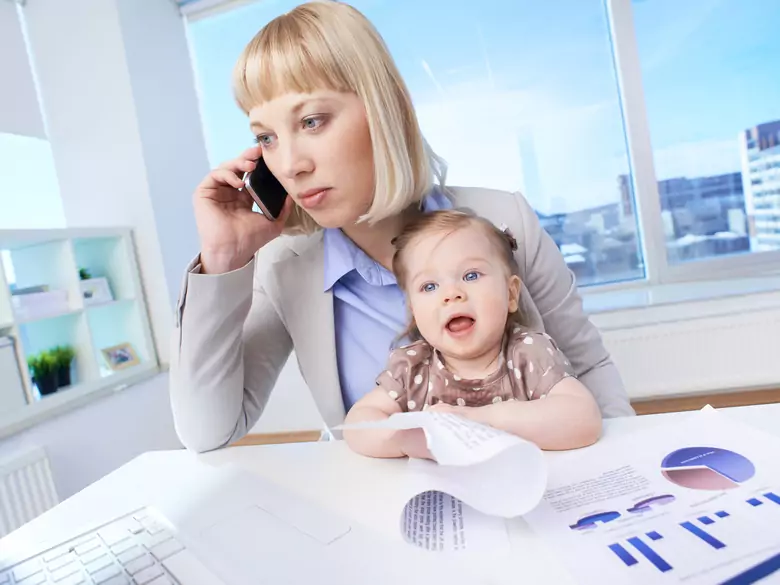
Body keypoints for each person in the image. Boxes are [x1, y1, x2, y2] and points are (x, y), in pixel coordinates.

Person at [169, 1, 634, 454]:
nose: (290, 164)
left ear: (383, 109)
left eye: (311, 121)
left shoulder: (504, 219)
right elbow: (207, 431)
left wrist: (626, 477)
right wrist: (223, 260)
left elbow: (588, 367)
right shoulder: (284, 267)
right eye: (266, 138)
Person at [342, 210, 603, 459]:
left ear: (511, 294)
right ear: (413, 311)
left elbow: (583, 419)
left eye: (471, 275)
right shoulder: (412, 368)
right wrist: (402, 440)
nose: (451, 294)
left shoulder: (528, 353)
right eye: (429, 286)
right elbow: (359, 421)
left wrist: (476, 420)